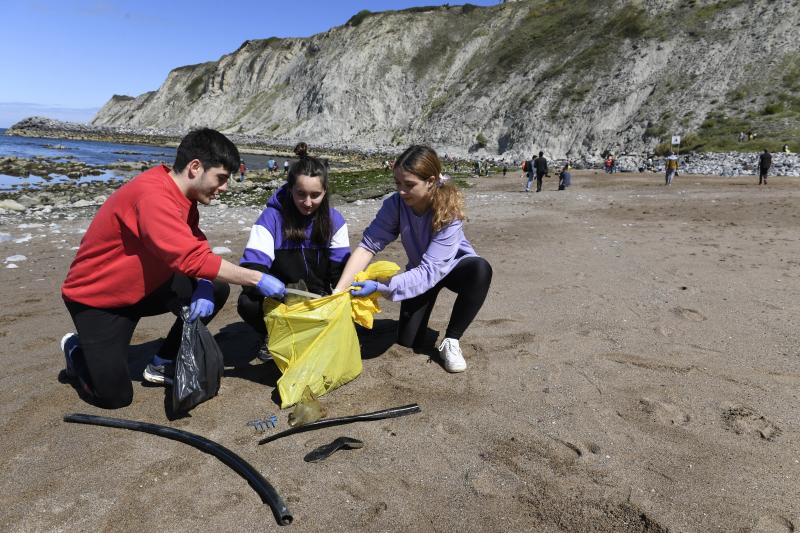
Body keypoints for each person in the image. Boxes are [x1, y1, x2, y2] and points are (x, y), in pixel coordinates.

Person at [59, 128, 287, 409]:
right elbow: (191, 258)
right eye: (221, 178)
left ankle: (162, 361)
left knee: (214, 287)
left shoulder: (184, 197)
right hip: (98, 299)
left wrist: (203, 284)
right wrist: (257, 278)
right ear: (195, 167)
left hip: (145, 286)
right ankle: (75, 349)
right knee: (114, 397)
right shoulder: (153, 195)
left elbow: (194, 242)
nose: (225, 187)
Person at [333, 145, 492, 373]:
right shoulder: (395, 204)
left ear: (431, 181)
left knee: (481, 269)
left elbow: (431, 272)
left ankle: (452, 340)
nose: (401, 191)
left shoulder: (449, 212)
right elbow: (367, 246)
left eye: (409, 185)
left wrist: (380, 287)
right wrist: (339, 290)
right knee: (408, 341)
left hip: (455, 269)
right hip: (420, 270)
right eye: (398, 183)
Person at [237, 143, 350, 347]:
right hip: (280, 297)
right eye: (301, 194)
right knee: (247, 303)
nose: (307, 202)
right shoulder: (270, 218)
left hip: (317, 297)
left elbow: (339, 270)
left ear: (325, 192)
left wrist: (340, 295)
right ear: (290, 190)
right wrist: (267, 285)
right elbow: (253, 266)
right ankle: (271, 334)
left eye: (315, 195)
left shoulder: (334, 221)